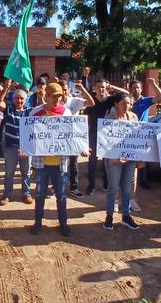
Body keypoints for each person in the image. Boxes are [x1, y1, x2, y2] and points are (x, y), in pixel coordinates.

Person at [28, 82, 88, 237]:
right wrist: (25, 148)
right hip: (41, 164)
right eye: (54, 96)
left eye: (59, 96)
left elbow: (74, 134)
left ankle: (63, 224)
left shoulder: (66, 113)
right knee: (40, 195)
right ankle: (38, 223)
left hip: (60, 164)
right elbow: (29, 135)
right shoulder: (35, 113)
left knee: (61, 196)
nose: (57, 99)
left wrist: (82, 148)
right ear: (46, 96)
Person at [102, 93, 142, 231]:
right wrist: (113, 158)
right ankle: (109, 217)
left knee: (126, 188)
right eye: (124, 103)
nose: (127, 106)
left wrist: (140, 156)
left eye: (130, 103)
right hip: (114, 160)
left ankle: (126, 216)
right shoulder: (109, 118)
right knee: (113, 187)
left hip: (130, 159)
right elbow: (104, 141)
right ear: (116, 104)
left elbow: (139, 139)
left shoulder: (134, 117)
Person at [84, 78, 129, 195]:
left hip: (107, 134)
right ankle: (91, 185)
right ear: (95, 87)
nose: (101, 89)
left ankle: (106, 185)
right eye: (99, 86)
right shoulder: (91, 100)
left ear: (106, 87)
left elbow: (126, 94)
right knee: (92, 160)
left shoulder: (110, 100)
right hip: (93, 133)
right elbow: (86, 119)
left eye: (103, 87)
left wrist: (114, 87)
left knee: (107, 160)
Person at [0, 79, 33, 206]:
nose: (19, 101)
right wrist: (5, 88)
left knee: (26, 172)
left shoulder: (30, 112)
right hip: (11, 146)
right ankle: (7, 194)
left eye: (22, 99)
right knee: (9, 172)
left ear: (26, 100)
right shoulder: (8, 109)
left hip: (26, 148)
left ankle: (26, 193)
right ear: (13, 99)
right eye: (17, 98)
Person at [59, 78, 95, 198]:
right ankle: (56, 188)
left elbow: (91, 103)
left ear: (69, 90)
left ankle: (73, 187)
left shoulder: (74, 101)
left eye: (65, 90)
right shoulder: (55, 102)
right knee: (58, 163)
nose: (63, 93)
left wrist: (82, 89)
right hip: (58, 137)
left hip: (72, 137)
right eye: (61, 90)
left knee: (73, 164)